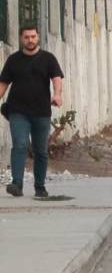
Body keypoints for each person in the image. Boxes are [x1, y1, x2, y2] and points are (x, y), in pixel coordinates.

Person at [0, 25, 64, 197]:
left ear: (38, 37)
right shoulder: (13, 60)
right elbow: (3, 83)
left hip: (41, 112)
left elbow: (56, 77)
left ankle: (40, 186)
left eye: (33, 36)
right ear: (21, 39)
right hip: (17, 111)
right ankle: (17, 184)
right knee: (20, 145)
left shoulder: (48, 58)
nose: (30, 40)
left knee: (40, 150)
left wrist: (57, 94)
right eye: (27, 37)